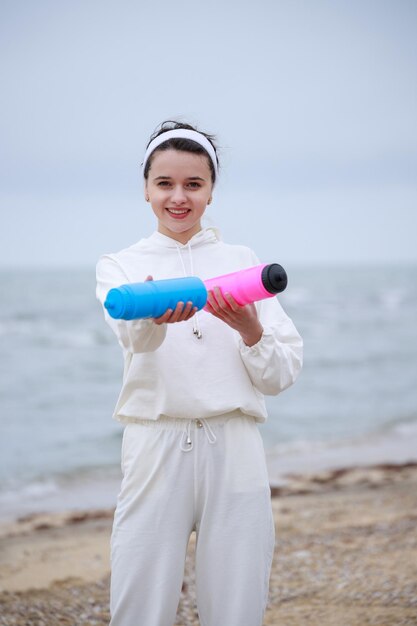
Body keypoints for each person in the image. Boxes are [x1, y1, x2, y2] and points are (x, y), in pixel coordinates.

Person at [96, 120, 303, 626]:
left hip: (234, 445)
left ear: (211, 189)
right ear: (146, 189)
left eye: (193, 183)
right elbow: (134, 342)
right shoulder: (121, 267)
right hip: (154, 443)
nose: (178, 197)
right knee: (139, 598)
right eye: (164, 183)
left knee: (237, 603)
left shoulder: (242, 263)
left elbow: (281, 374)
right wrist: (152, 320)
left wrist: (251, 330)